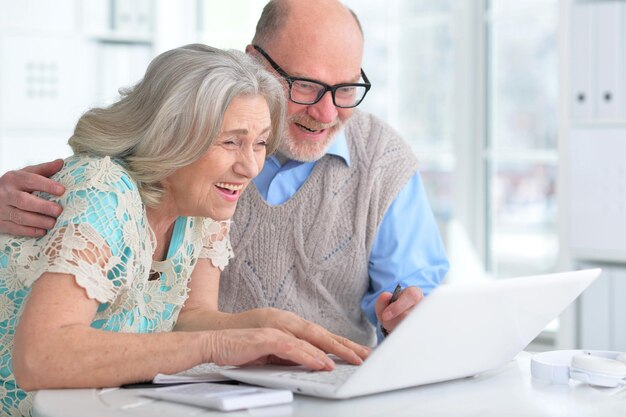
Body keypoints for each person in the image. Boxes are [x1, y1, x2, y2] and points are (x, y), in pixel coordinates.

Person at [0, 0, 449, 347]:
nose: (326, 112)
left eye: (347, 88)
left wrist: (413, 323)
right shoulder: (178, 163)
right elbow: (98, 188)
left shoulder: (383, 164)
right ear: (255, 62)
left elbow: (420, 313)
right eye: (306, 85)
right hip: (179, 388)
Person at [0, 44, 369, 416]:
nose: (252, 167)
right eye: (230, 141)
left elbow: (187, 319)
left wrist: (263, 324)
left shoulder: (201, 203)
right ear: (172, 135)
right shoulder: (103, 190)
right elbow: (39, 358)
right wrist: (216, 346)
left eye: (259, 143)